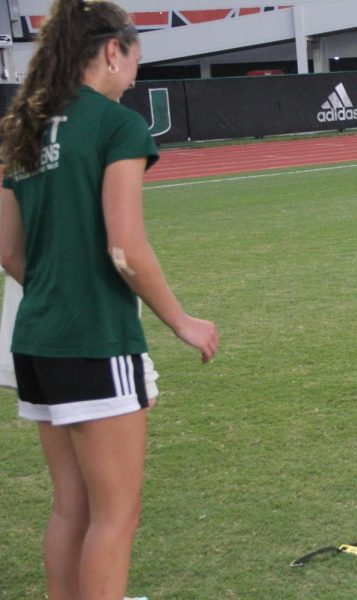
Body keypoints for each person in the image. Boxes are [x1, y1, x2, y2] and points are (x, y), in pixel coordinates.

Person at [0, 1, 219, 599]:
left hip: (36, 344)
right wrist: (182, 321)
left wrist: (54, 284)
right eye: (134, 62)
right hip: (94, 340)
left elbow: (8, 249)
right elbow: (126, 248)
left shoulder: (28, 124)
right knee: (115, 515)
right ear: (111, 50)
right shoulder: (116, 125)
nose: (133, 78)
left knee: (70, 508)